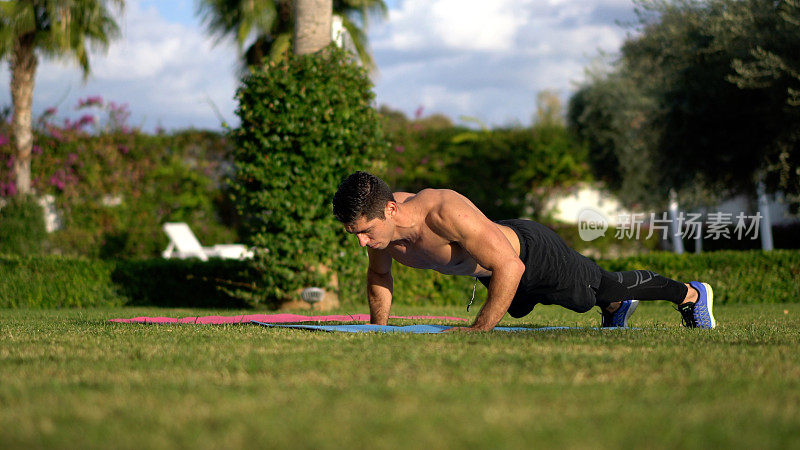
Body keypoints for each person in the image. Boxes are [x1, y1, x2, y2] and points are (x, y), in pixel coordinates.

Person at [332, 171, 716, 332]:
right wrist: (376, 330)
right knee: (550, 302)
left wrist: (479, 330)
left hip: (531, 254)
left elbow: (510, 267)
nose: (363, 243)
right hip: (497, 273)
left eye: (365, 232)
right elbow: (380, 275)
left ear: (391, 210)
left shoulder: (442, 211)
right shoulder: (383, 232)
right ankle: (615, 309)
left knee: (601, 289)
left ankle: (693, 293)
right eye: (356, 235)